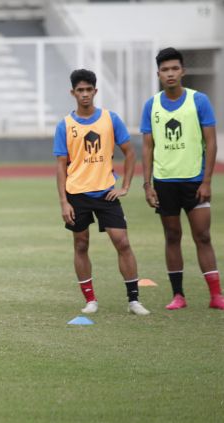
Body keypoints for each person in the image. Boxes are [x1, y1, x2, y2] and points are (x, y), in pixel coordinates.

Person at [54, 69, 150, 316]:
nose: (85, 94)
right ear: (72, 92)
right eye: (80, 90)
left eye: (89, 90)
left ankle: (134, 301)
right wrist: (64, 202)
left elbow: (130, 152)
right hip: (77, 194)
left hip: (106, 194)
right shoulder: (65, 125)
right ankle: (90, 300)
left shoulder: (110, 119)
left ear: (95, 91)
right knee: (81, 245)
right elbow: (61, 167)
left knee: (123, 242)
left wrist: (125, 187)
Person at [141, 47, 224, 310]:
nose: (170, 74)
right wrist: (148, 184)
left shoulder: (198, 101)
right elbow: (147, 147)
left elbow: (211, 143)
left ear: (183, 71)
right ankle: (178, 295)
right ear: (158, 74)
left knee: (203, 236)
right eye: (165, 70)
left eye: (175, 68)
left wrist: (207, 180)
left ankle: (216, 295)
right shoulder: (151, 105)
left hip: (194, 180)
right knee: (172, 236)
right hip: (165, 182)